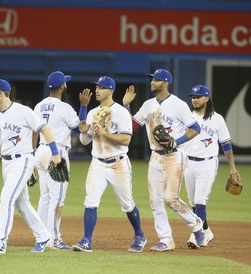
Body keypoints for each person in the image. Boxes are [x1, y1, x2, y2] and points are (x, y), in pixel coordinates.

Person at [0, 79, 62, 254]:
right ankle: (43, 235)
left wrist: (55, 153)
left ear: (1, 93)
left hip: (23, 160)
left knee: (6, 198)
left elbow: (45, 129)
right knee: (21, 203)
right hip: (6, 163)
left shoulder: (23, 111)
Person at [122, 69, 205, 251]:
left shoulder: (179, 104)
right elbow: (131, 126)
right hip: (155, 157)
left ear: (166, 83)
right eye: (152, 79)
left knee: (170, 199)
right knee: (155, 201)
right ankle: (166, 240)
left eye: (156, 80)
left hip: (174, 155)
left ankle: (197, 227)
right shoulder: (147, 105)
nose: (152, 82)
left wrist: (177, 140)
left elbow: (195, 128)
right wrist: (126, 106)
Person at [72, 76, 146, 253]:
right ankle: (86, 241)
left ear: (110, 90)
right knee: (90, 201)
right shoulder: (92, 113)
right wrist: (85, 129)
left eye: (101, 88)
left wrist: (105, 134)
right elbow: (84, 140)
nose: (97, 90)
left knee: (127, 204)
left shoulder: (120, 112)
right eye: (96, 87)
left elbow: (126, 140)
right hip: (97, 163)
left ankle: (139, 235)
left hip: (118, 164)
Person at [33, 71, 91, 250]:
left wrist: (31, 154)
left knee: (45, 197)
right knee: (57, 199)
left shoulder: (39, 105)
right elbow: (81, 129)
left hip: (40, 151)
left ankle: (41, 237)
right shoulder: (64, 107)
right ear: (62, 87)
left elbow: (34, 132)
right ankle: (54, 239)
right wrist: (84, 106)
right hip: (56, 152)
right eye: (65, 83)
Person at [184, 85, 239, 248]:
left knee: (200, 201)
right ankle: (206, 231)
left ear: (207, 98)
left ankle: (196, 236)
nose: (194, 99)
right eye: (193, 96)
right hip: (188, 162)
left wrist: (233, 168)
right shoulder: (186, 116)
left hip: (207, 163)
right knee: (193, 202)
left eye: (198, 96)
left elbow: (226, 145)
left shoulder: (217, 119)